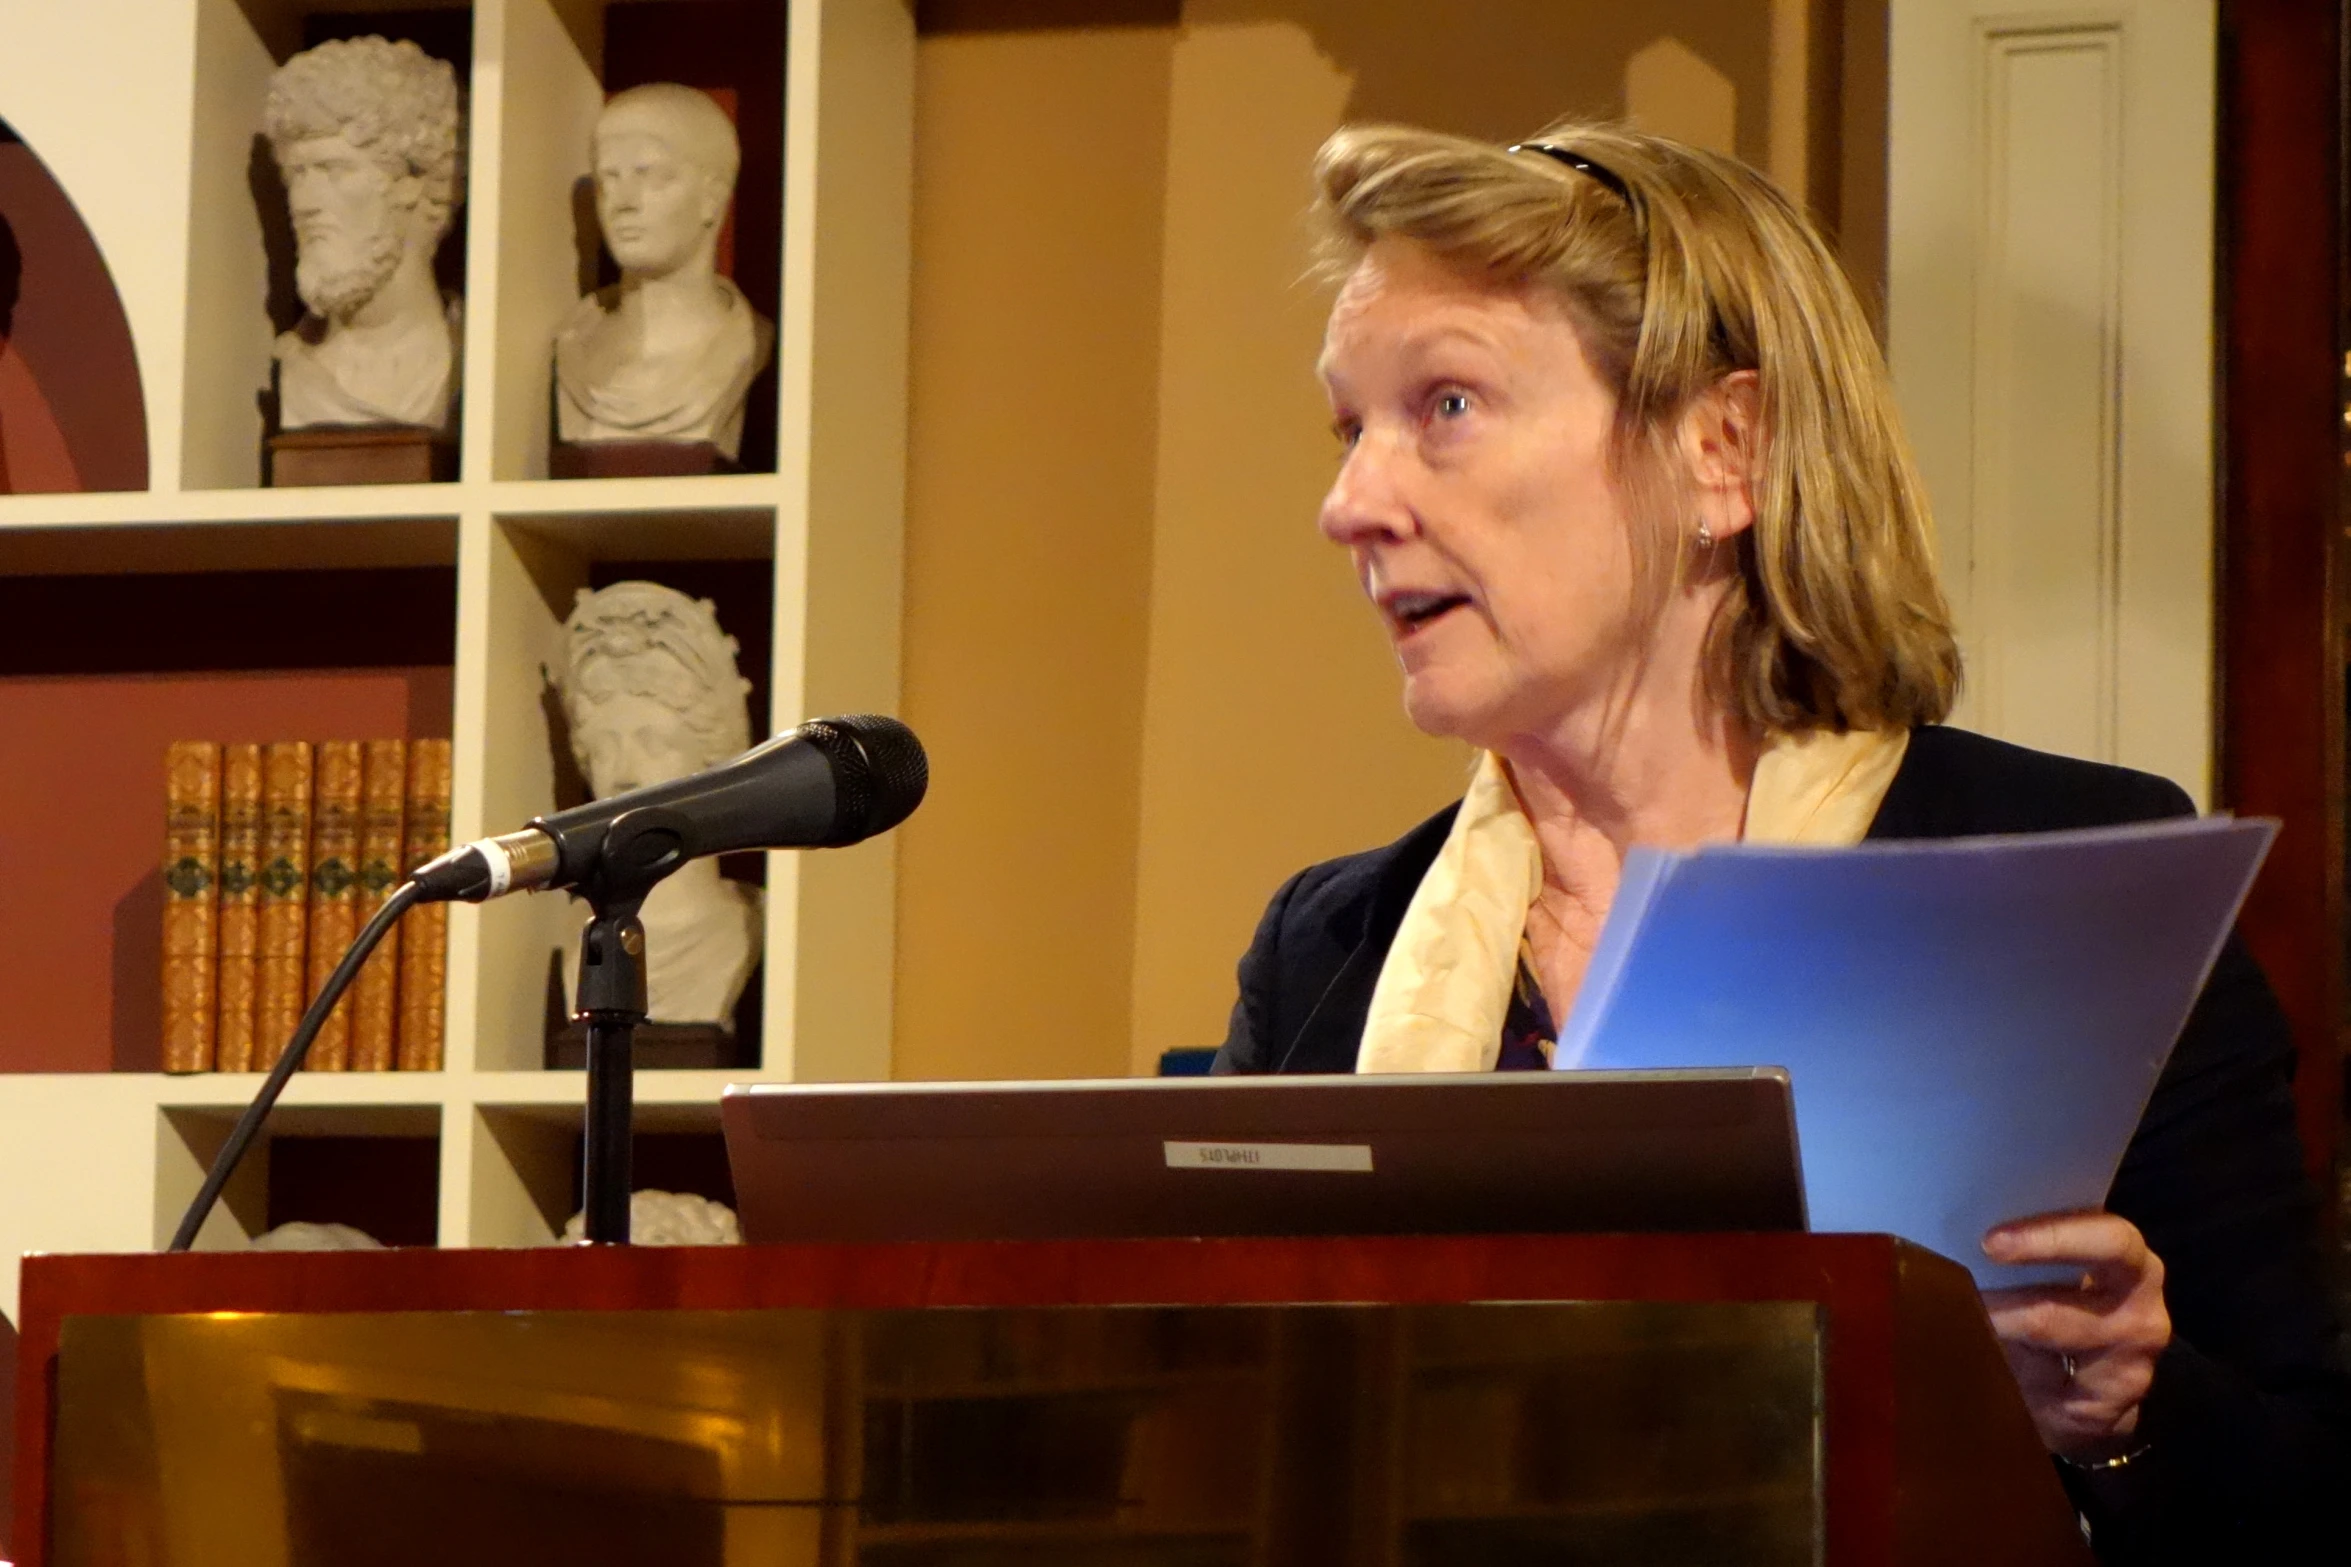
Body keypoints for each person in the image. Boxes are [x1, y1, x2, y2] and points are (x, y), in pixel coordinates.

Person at [1212, 118, 2348, 1561]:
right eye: (1348, 428)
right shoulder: (1325, 951)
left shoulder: (2056, 874)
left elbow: (2305, 1486)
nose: (1350, 503)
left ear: (1720, 450)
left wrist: (2118, 1409)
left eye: (1442, 406)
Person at [556, 580, 760, 1024]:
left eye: (655, 743)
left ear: (713, 760)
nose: (625, 775)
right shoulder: (572, 936)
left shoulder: (749, 927)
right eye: (603, 749)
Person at [553, 83, 774, 461]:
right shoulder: (570, 346)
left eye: (651, 175)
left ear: (713, 196)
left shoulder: (749, 347)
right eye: (609, 178)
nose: (623, 203)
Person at [263, 36, 463, 431]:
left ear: (413, 179)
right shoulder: (295, 367)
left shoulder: (469, 359)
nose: (304, 203)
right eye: (297, 176)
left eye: (334, 171)